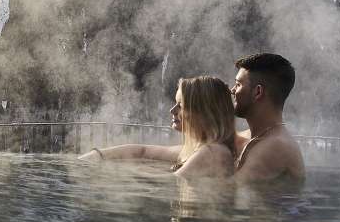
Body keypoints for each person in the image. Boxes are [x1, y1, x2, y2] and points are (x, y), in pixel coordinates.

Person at [78, 76, 235, 178]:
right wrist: (97, 155)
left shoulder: (214, 152)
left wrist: (108, 171)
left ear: (204, 112)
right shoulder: (200, 149)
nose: (172, 110)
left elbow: (170, 183)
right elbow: (143, 151)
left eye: (180, 105)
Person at [230, 52, 305, 182]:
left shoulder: (278, 146)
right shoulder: (249, 137)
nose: (232, 90)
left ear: (258, 92)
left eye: (238, 84)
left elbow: (227, 190)